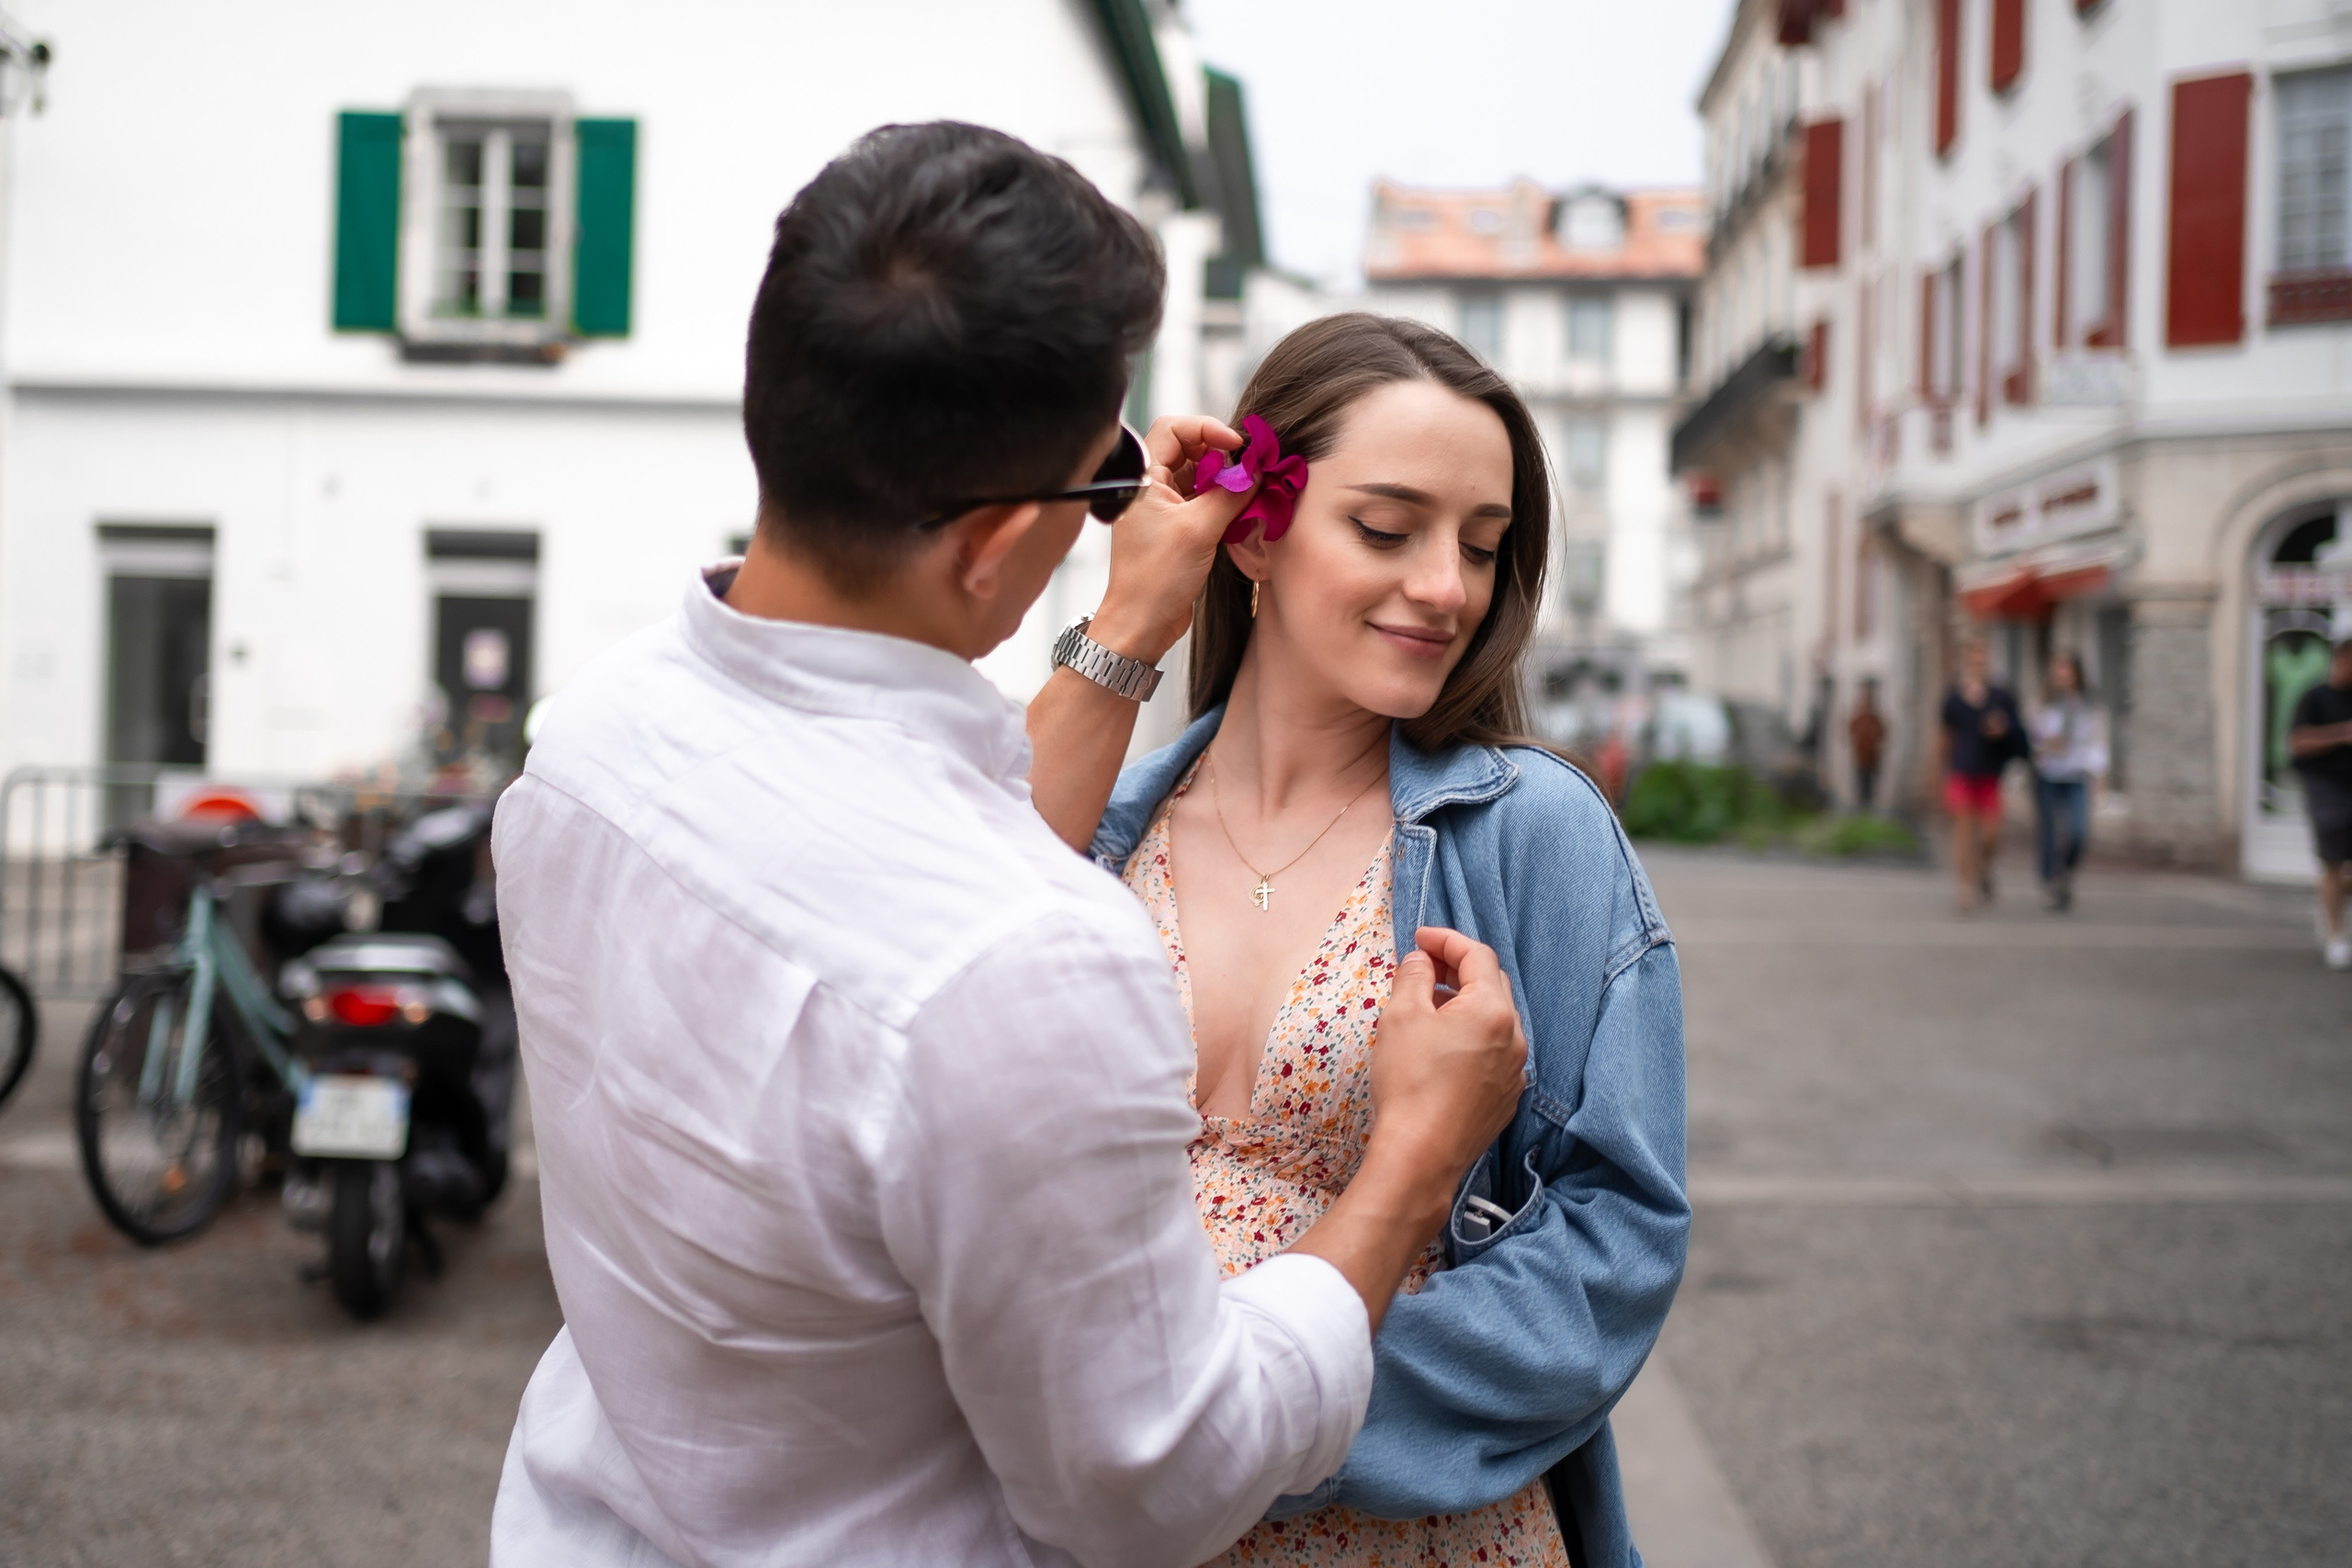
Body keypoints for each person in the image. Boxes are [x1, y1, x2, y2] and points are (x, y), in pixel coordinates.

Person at [487, 126, 1531, 1568]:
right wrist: (1413, 1161)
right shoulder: (1027, 959)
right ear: (991, 544)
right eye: (1099, 478)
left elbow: (922, 866)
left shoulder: (587, 743)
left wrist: (1118, 614)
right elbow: (1158, 1483)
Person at [1025, 313, 1690, 1568]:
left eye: (1484, 546)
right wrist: (1130, 621)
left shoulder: (1533, 832)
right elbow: (939, 948)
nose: (1447, 585)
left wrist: (1260, 1432)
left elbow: (1617, 1241)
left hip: (1412, 1533)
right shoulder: (1101, 833)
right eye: (1387, 529)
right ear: (1256, 531)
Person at [1939, 638, 2028, 914]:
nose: (1979, 664)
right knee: (1963, 833)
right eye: (1974, 659)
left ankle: (1984, 869)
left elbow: (2018, 731)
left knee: (1992, 836)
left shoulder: (2001, 697)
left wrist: (2003, 731)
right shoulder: (1953, 697)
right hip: (1962, 772)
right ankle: (1964, 890)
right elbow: (1944, 736)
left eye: (1983, 658)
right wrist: (1938, 772)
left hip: (1990, 774)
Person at [2288, 637, 2352, 969]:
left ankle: (2330, 903)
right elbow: (2297, 742)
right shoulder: (2316, 697)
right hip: (2327, 786)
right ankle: (2336, 934)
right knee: (2332, 860)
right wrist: (2341, 734)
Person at [2030, 652, 2107, 912]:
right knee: (2050, 833)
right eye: (2058, 672)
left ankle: (2066, 873)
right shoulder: (2044, 705)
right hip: (2050, 774)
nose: (2062, 677)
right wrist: (2044, 745)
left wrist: (2099, 775)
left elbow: (2097, 743)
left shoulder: (2088, 706)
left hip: (2076, 775)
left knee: (2078, 833)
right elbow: (2033, 740)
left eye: (2067, 671)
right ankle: (2052, 883)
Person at [1848, 677, 1887, 811]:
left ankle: (1868, 809)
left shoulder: (1875, 719)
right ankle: (1862, 809)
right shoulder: (1858, 719)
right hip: (1861, 758)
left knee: (1871, 786)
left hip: (1872, 758)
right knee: (1861, 786)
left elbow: (1883, 733)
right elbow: (1850, 732)